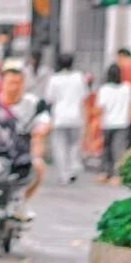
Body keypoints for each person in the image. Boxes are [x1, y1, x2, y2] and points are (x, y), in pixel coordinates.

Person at [0, 60, 51, 205]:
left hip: (22, 157)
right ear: (1, 82)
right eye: (10, 82)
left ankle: (22, 203)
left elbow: (44, 122)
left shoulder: (33, 104)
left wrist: (41, 130)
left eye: (18, 82)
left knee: (39, 168)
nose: (14, 87)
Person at [46, 52, 87, 184]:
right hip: (76, 116)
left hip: (59, 116)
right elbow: (84, 96)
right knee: (74, 144)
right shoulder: (79, 77)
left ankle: (63, 174)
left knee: (59, 145)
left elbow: (49, 98)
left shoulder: (54, 79)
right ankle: (73, 167)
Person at [96, 62, 131, 180]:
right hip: (122, 122)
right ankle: (117, 175)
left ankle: (104, 172)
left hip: (107, 122)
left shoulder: (104, 89)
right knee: (118, 149)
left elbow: (100, 106)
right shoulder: (128, 87)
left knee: (106, 148)